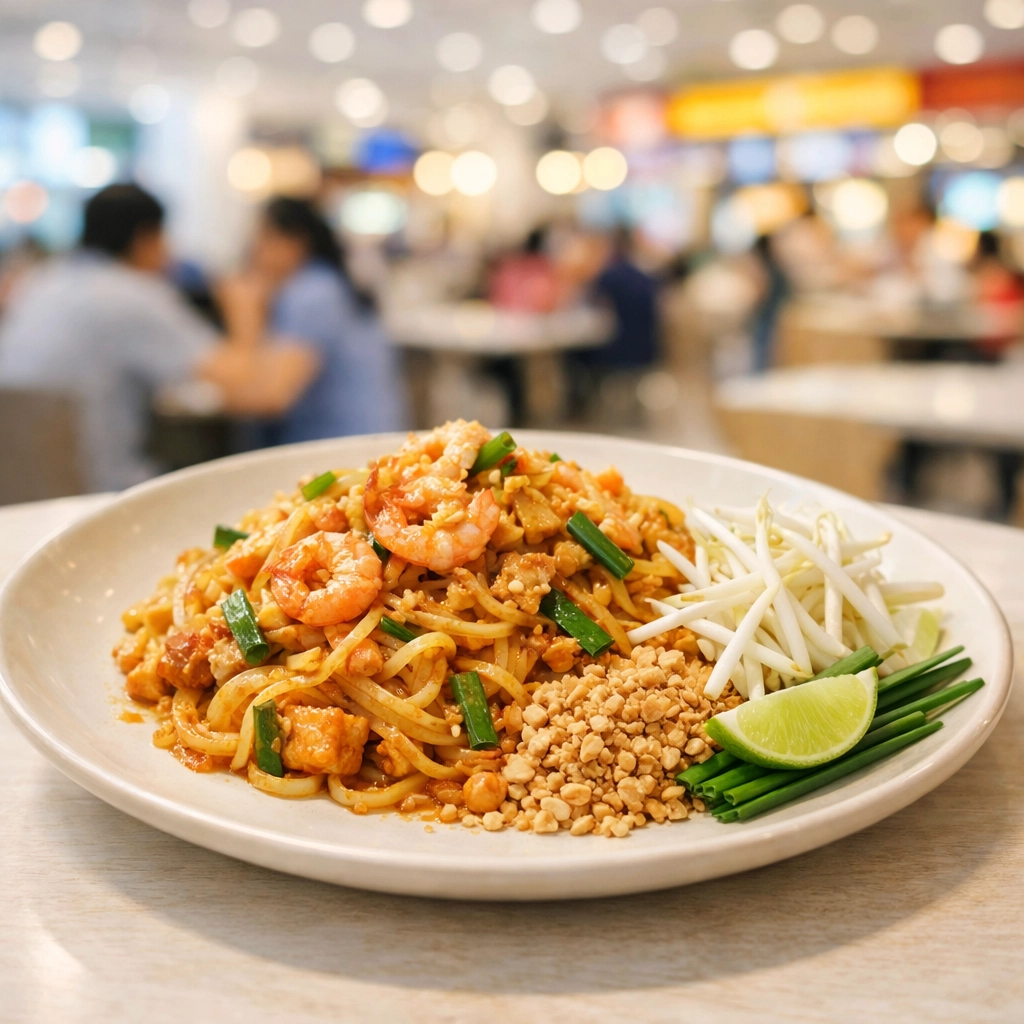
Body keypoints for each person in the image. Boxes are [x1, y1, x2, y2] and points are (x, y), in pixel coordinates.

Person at [0, 185, 323, 491]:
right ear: (145, 239)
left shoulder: (39, 282)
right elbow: (254, 392)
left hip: (21, 493)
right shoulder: (131, 294)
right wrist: (245, 309)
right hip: (102, 489)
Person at [239, 197, 407, 446]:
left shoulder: (312, 293)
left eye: (263, 239)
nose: (255, 251)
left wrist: (243, 312)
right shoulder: (331, 281)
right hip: (374, 436)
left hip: (343, 447)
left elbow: (271, 395)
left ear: (294, 241)